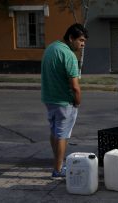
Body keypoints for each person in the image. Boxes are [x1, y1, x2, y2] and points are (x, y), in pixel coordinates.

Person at [41, 23, 88, 179]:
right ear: (70, 38)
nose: (82, 44)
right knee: (62, 134)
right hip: (64, 102)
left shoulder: (51, 48)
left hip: (49, 99)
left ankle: (57, 162)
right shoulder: (69, 56)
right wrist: (78, 102)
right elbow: (75, 87)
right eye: (80, 40)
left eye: (84, 41)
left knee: (54, 131)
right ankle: (58, 170)